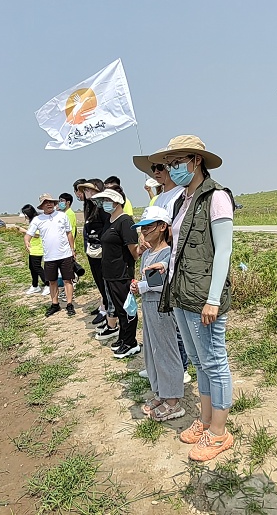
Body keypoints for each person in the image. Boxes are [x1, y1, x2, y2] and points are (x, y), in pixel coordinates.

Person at [148, 135, 235, 462]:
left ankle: (219, 432)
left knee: (214, 361)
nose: (172, 168)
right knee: (199, 362)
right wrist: (166, 265)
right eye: (169, 163)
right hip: (181, 291)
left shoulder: (217, 197)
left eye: (177, 162)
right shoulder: (181, 201)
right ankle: (206, 419)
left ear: (197, 160)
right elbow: (181, 248)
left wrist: (213, 299)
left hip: (203, 296)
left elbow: (223, 251)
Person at [132, 150, 191, 384]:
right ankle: (161, 366)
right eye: (153, 169)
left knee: (174, 321)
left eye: (160, 167)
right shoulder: (157, 199)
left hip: (171, 257)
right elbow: (147, 224)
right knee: (157, 323)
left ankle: (180, 367)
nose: (156, 172)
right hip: (155, 256)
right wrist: (143, 237)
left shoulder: (181, 194)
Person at [131, 206, 186, 421]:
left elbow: (167, 283)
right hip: (148, 305)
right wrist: (138, 286)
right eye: (142, 227)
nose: (144, 231)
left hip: (163, 307)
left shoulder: (168, 253)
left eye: (149, 227)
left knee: (166, 350)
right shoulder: (147, 253)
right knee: (152, 350)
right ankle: (162, 392)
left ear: (163, 227)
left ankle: (173, 401)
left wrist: (143, 286)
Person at [90, 186, 141, 358]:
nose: (104, 203)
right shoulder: (110, 220)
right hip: (109, 273)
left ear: (117, 202)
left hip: (122, 273)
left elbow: (134, 250)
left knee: (127, 309)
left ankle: (131, 342)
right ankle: (123, 337)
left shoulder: (125, 221)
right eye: (103, 200)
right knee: (118, 309)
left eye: (107, 200)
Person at [25, 193, 77, 317]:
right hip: (49, 257)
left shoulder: (62, 215)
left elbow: (69, 233)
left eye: (50, 202)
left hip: (65, 254)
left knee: (68, 280)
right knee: (52, 281)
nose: (48, 204)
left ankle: (69, 304)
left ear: (54, 203)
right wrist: (27, 241)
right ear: (41, 206)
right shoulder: (38, 220)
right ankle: (55, 304)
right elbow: (28, 234)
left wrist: (72, 249)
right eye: (45, 202)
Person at [77, 179, 113, 327]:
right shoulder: (89, 208)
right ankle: (104, 307)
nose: (87, 193)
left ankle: (108, 312)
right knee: (99, 280)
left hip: (103, 252)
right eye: (85, 190)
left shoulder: (103, 207)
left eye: (89, 189)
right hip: (93, 252)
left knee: (106, 283)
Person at [18, 204, 48, 294]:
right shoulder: (32, 221)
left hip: (38, 248)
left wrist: (24, 231)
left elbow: (37, 234)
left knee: (37, 267)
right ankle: (35, 286)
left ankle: (48, 284)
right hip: (33, 248)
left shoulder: (36, 220)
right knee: (32, 267)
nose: (25, 216)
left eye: (25, 214)